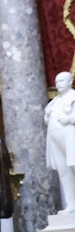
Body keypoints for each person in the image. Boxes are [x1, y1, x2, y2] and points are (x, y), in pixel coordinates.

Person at [44, 71, 75, 213]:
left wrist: (70, 119)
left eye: (62, 81)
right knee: (64, 172)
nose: (58, 84)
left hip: (70, 138)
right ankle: (71, 205)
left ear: (70, 81)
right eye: (56, 82)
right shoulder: (54, 101)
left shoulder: (73, 96)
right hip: (56, 141)